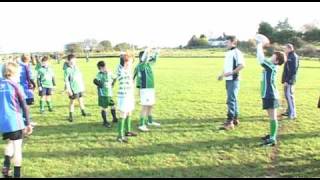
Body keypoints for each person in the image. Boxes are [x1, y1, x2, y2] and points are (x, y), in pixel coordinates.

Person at [0, 62, 33, 178]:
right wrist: (28, 124)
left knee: (10, 142)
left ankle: (6, 167)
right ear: (13, 73)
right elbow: (24, 106)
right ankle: (17, 175)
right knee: (17, 148)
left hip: (3, 123)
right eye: (18, 73)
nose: (19, 75)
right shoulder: (15, 86)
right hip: (15, 122)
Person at [256, 38, 286, 146]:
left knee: (273, 117)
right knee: (271, 117)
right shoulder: (271, 65)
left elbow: (260, 59)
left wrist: (260, 45)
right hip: (267, 94)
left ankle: (273, 138)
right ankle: (271, 135)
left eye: (274, 56)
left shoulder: (271, 67)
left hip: (271, 95)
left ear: (277, 61)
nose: (271, 56)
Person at [218, 36, 245, 130]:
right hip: (228, 79)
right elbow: (226, 66)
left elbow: (242, 65)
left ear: (233, 42)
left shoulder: (237, 52)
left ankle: (230, 122)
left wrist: (232, 73)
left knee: (231, 100)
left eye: (228, 42)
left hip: (234, 79)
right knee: (233, 99)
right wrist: (222, 74)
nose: (226, 43)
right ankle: (235, 119)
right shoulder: (228, 53)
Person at [134, 48, 161, 132]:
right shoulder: (141, 65)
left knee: (150, 105)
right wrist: (147, 51)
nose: (148, 57)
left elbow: (154, 59)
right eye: (147, 56)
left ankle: (149, 121)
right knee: (145, 106)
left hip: (150, 88)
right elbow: (145, 59)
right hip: (145, 89)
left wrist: (156, 52)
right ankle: (142, 125)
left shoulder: (148, 64)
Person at [114, 52, 137, 143]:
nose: (130, 64)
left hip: (129, 95)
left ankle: (128, 131)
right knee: (123, 114)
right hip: (123, 96)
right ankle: (120, 136)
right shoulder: (120, 69)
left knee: (129, 112)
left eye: (131, 62)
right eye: (128, 62)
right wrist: (123, 56)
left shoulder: (129, 70)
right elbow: (121, 62)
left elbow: (131, 81)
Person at [64, 54, 90, 122]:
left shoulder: (77, 67)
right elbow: (66, 81)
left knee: (81, 100)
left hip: (79, 88)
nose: (73, 62)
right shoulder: (67, 70)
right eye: (72, 61)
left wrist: (82, 87)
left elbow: (80, 78)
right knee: (72, 102)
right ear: (69, 61)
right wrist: (69, 90)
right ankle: (71, 116)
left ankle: (83, 112)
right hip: (73, 89)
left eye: (74, 61)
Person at [93, 61, 118, 128]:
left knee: (113, 105)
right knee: (104, 108)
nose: (106, 68)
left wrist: (113, 83)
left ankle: (114, 118)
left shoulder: (109, 73)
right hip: (103, 94)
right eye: (104, 67)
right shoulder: (99, 74)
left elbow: (115, 78)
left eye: (106, 66)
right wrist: (99, 84)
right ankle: (105, 122)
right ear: (101, 68)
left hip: (109, 93)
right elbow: (95, 80)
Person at [281, 43, 299, 120]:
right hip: (287, 80)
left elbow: (293, 70)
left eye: (285, 48)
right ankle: (289, 111)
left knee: (289, 96)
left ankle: (292, 114)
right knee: (287, 96)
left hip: (289, 81)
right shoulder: (289, 56)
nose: (284, 50)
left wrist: (287, 80)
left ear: (290, 48)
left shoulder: (293, 57)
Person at [18, 54, 37, 127]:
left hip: (20, 89)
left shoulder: (18, 66)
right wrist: (34, 85)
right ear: (29, 59)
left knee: (22, 106)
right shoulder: (26, 67)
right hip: (26, 89)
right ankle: (26, 122)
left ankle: (26, 121)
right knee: (26, 106)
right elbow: (30, 77)